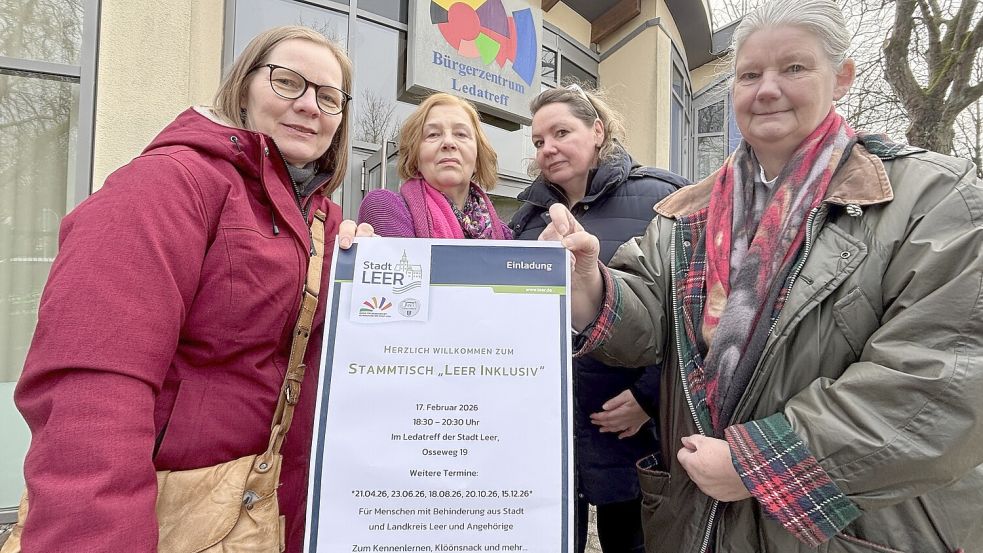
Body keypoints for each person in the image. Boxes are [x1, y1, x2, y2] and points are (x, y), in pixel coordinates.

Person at [543, 1, 983, 551]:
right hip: (696, 521)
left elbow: (942, 381)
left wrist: (762, 465)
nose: (767, 89)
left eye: (794, 68)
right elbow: (643, 317)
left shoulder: (935, 199)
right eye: (750, 74)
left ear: (841, 78)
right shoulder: (689, 214)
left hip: (849, 529)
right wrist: (589, 281)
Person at [12, 26, 373, 553]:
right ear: (243, 89)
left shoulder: (326, 220)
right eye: (288, 82)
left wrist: (364, 276)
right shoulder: (169, 183)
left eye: (328, 97)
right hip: (171, 516)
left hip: (270, 516)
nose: (310, 106)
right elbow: (91, 386)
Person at [510, 85, 686, 553]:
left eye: (561, 132)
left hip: (629, 430)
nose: (548, 148)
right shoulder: (527, 219)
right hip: (553, 434)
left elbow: (690, 311)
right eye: (538, 141)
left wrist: (649, 397)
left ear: (597, 131)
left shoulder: (661, 198)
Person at [357, 93, 511, 239]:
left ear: (478, 158)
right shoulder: (385, 208)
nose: (449, 143)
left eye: (461, 134)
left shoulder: (504, 234)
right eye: (433, 134)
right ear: (415, 157)